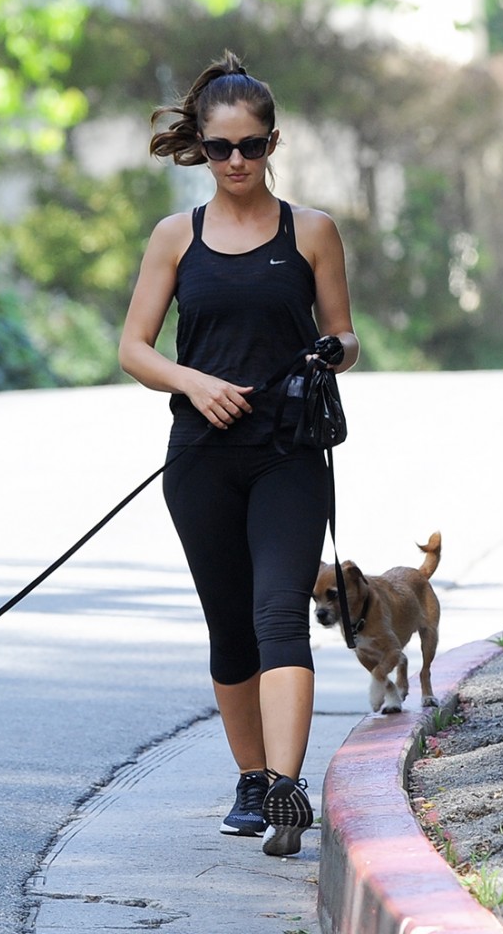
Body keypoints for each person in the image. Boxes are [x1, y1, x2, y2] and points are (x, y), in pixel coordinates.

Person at [118, 50, 359, 857]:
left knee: (278, 613)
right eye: (219, 148)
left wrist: (335, 349)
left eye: (249, 147)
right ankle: (251, 780)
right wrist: (192, 382)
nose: (234, 163)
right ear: (200, 145)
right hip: (202, 458)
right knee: (231, 630)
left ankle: (288, 787)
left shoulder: (312, 232)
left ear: (271, 143)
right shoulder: (173, 238)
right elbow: (132, 348)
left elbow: (347, 334)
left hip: (290, 451)